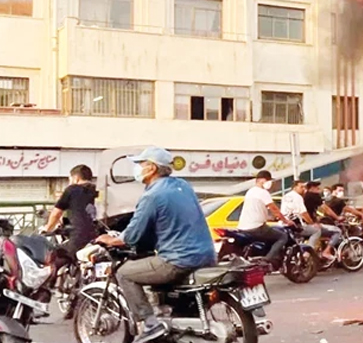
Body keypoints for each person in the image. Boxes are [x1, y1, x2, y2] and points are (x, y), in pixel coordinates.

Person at [93, 147, 215, 343]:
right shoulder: (183, 186)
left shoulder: (152, 195)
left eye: (141, 164)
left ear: (151, 168)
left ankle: (151, 324)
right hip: (207, 255)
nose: (138, 168)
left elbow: (131, 236)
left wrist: (110, 239)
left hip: (178, 259)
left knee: (124, 273)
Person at [237, 170, 293, 269]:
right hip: (256, 227)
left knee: (271, 233)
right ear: (261, 180)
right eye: (268, 180)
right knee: (282, 236)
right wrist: (286, 221)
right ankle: (267, 259)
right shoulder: (263, 192)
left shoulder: (250, 191)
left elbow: (257, 209)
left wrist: (269, 217)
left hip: (243, 226)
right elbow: (274, 208)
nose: (270, 183)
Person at [41, 165, 98, 256]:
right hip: (97, 235)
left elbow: (56, 213)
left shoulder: (72, 189)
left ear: (76, 178)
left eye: (69, 179)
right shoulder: (96, 190)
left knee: (55, 256)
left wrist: (47, 229)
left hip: (78, 236)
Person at [303, 181, 344, 260]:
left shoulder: (305, 196)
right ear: (312, 188)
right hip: (310, 225)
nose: (319, 190)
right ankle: (326, 251)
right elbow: (325, 208)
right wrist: (337, 218)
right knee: (337, 231)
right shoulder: (314, 196)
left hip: (304, 223)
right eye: (317, 188)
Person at [280, 180, 322, 250]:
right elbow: (303, 213)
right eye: (301, 187)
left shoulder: (286, 196)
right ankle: (308, 251)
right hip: (295, 225)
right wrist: (312, 223)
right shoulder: (297, 197)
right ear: (294, 188)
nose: (303, 189)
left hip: (284, 224)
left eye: (304, 187)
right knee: (316, 231)